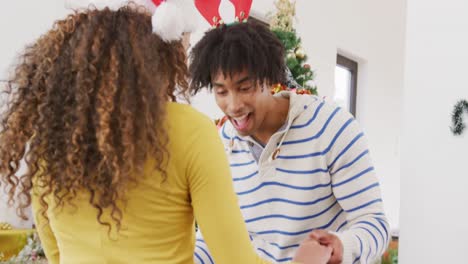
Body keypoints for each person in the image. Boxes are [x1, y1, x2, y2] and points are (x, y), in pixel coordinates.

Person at [0, 2, 332, 264]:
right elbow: (236, 260)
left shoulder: (51, 143)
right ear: (154, 62)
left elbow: (56, 252)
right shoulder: (190, 130)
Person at [189, 19, 390, 264]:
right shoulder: (222, 145)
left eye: (245, 88)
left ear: (269, 79)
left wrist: (340, 246)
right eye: (221, 92)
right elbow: (216, 236)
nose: (233, 105)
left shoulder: (331, 128)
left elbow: (374, 223)